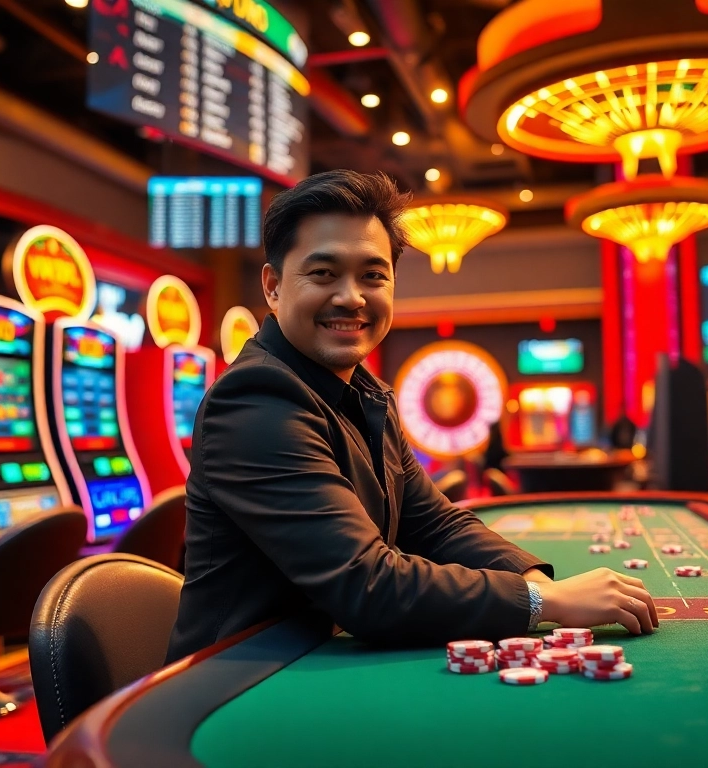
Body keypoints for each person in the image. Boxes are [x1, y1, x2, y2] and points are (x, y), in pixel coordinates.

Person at [166, 170, 657, 662]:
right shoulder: (255, 400)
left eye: (372, 276)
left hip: (311, 661)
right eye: (323, 274)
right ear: (273, 287)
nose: (352, 297)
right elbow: (367, 586)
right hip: (236, 680)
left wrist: (533, 580)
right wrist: (544, 602)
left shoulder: (364, 393)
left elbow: (434, 524)